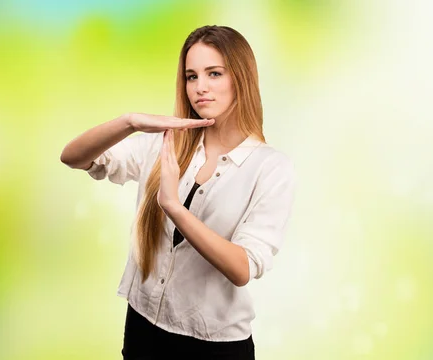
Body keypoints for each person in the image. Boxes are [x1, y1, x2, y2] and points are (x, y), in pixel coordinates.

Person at [60, 25, 296, 360]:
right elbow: (73, 157)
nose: (200, 88)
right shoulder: (165, 143)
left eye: (214, 74)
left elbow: (243, 267)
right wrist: (130, 122)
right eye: (191, 76)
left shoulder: (271, 168)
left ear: (240, 78)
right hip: (142, 327)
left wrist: (174, 206)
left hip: (212, 345)